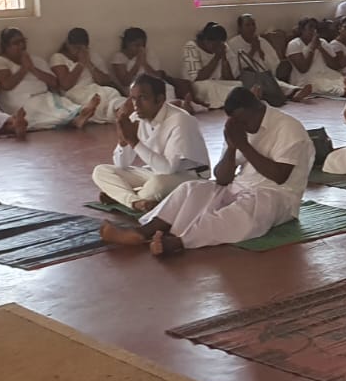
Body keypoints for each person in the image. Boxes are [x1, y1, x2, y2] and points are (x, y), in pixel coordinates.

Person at [100, 88, 313, 256]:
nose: (244, 128)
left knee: (240, 212)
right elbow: (222, 179)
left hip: (277, 196)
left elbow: (280, 175)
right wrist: (231, 147)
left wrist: (244, 145)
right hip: (239, 187)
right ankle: (140, 233)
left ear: (258, 109)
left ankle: (178, 242)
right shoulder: (238, 126)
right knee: (191, 190)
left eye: (246, 121)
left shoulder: (288, 128)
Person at [92, 75, 211, 212]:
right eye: (133, 98)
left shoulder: (180, 120)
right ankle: (136, 201)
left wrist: (134, 141)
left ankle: (123, 197)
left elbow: (168, 169)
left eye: (143, 98)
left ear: (160, 99)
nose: (136, 105)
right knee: (101, 171)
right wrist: (123, 141)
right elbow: (121, 165)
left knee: (158, 184)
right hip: (155, 171)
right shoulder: (136, 117)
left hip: (189, 176)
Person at [0, 28, 91, 130]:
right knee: (39, 109)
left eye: (23, 41)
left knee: (61, 103)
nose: (21, 45)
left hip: (43, 96)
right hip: (20, 99)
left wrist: (32, 68)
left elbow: (54, 83)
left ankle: (77, 116)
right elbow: (6, 85)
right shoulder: (0, 61)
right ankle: (75, 119)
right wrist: (24, 69)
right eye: (16, 43)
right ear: (5, 46)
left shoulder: (35, 60)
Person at [50, 28, 126, 125]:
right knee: (100, 102)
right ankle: (89, 112)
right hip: (75, 92)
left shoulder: (92, 55)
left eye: (81, 48)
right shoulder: (58, 57)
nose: (78, 51)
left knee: (112, 93)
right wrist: (81, 63)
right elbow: (66, 85)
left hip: (96, 88)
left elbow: (105, 81)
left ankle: (124, 115)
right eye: (75, 48)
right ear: (67, 45)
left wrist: (89, 63)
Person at [231, 14, 312, 104]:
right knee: (265, 87)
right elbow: (236, 68)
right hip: (247, 78)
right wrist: (253, 50)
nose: (251, 28)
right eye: (247, 25)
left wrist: (260, 51)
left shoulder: (261, 41)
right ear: (240, 28)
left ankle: (296, 92)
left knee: (277, 84)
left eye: (253, 24)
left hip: (264, 76)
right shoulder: (233, 43)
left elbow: (274, 62)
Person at [112, 27, 196, 110]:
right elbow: (125, 82)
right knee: (147, 92)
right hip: (133, 87)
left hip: (151, 82)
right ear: (127, 44)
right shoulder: (118, 57)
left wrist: (144, 63)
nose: (139, 48)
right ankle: (172, 106)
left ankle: (174, 107)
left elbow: (156, 76)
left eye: (142, 45)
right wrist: (137, 63)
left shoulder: (148, 53)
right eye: (136, 45)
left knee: (167, 87)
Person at [181, 22, 244, 109]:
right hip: (198, 85)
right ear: (205, 40)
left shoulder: (223, 46)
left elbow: (229, 77)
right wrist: (216, 57)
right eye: (214, 44)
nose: (217, 47)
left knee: (238, 85)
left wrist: (224, 58)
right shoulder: (191, 47)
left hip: (218, 83)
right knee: (211, 86)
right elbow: (198, 78)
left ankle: (231, 103)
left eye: (219, 44)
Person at [286, 18, 346, 97]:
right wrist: (312, 48)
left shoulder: (322, 42)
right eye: (310, 27)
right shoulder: (294, 44)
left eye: (316, 28)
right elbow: (303, 69)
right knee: (335, 89)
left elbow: (334, 65)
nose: (314, 31)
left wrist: (320, 48)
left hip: (326, 73)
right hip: (306, 77)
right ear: (302, 30)